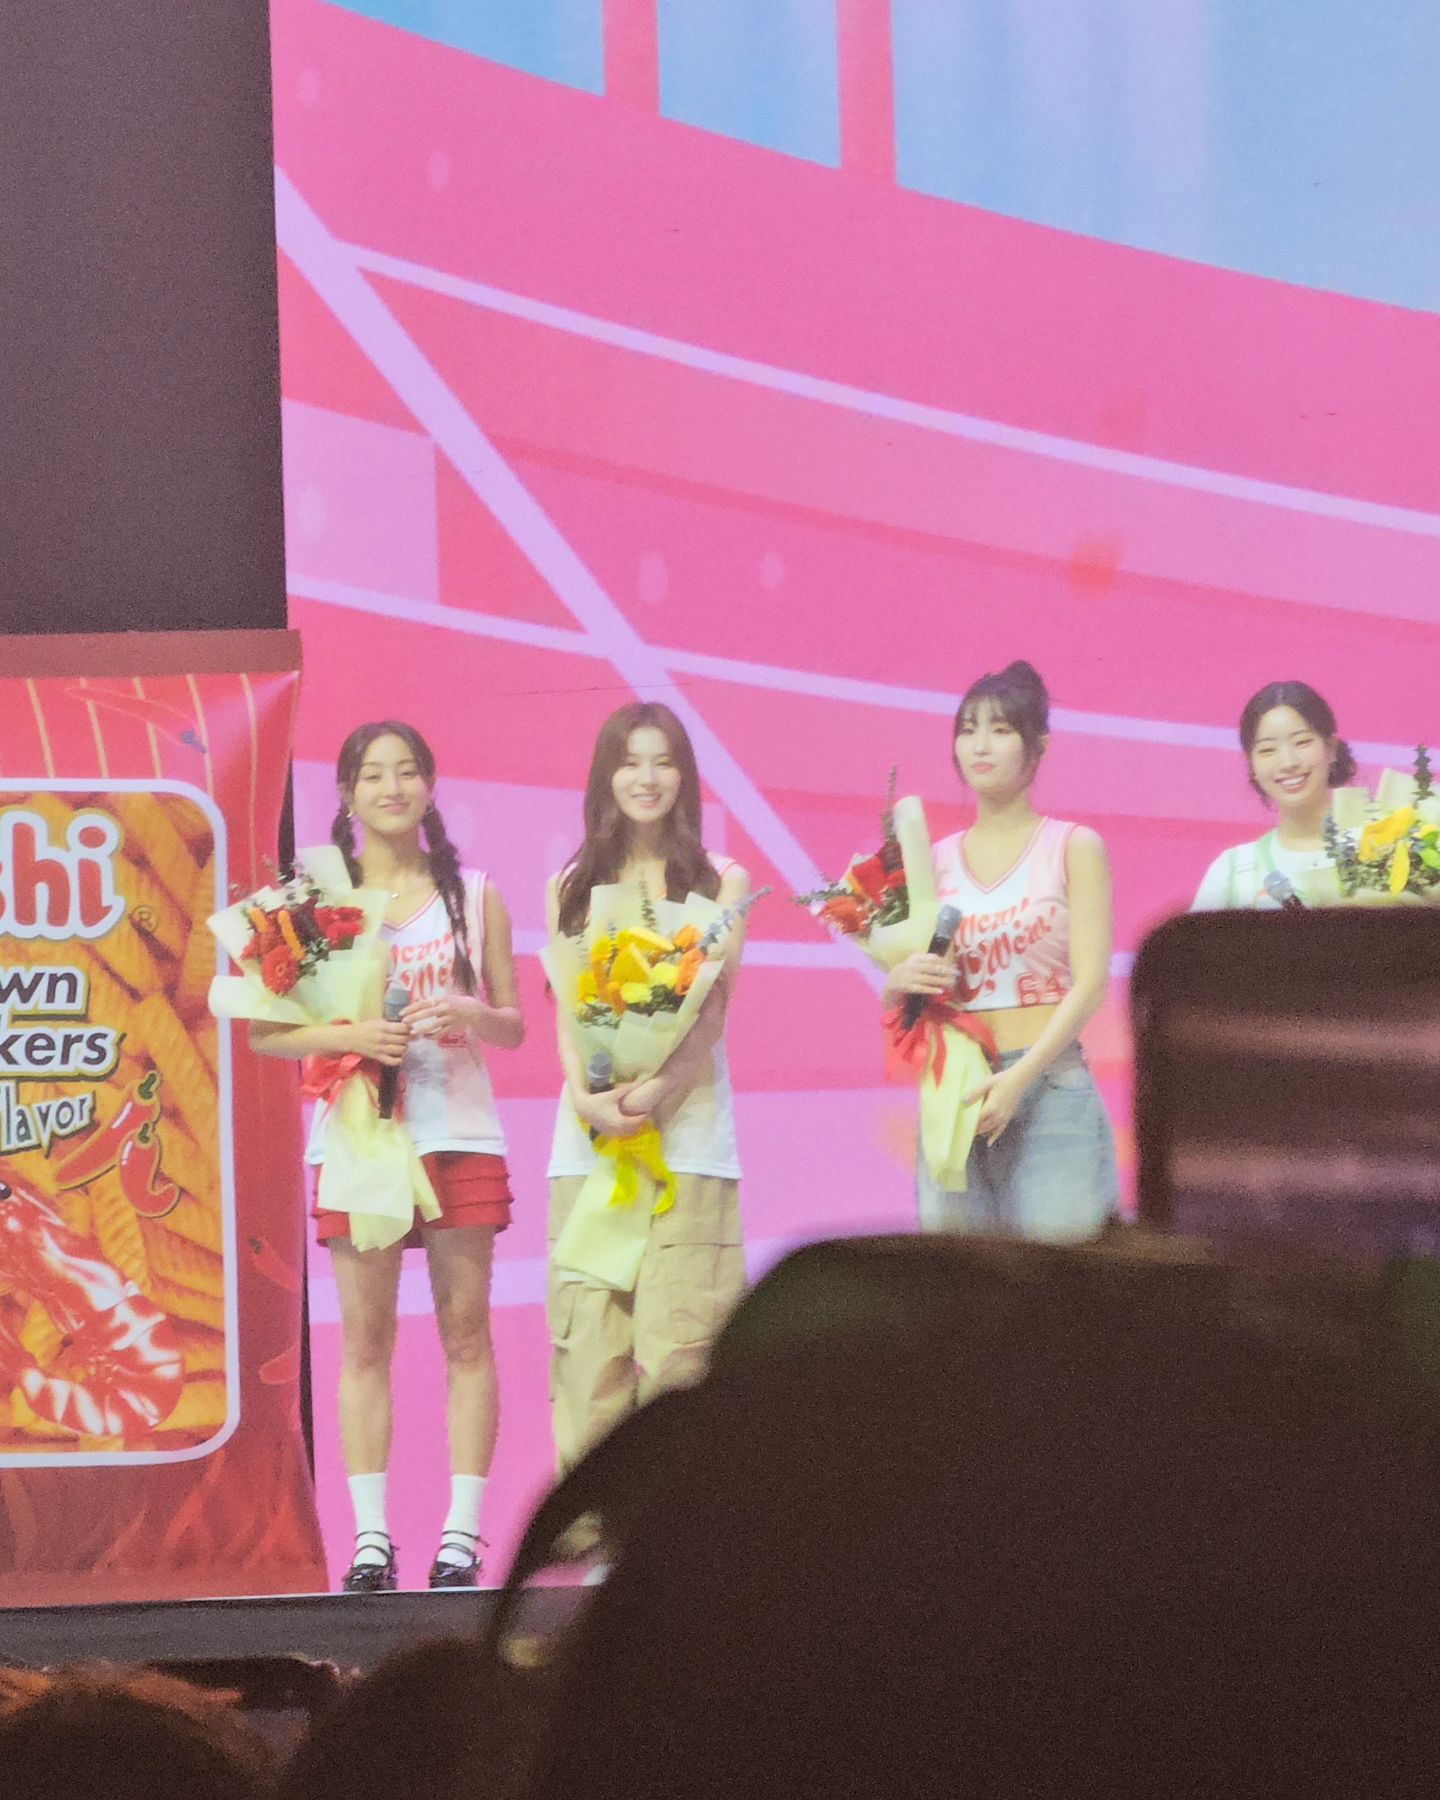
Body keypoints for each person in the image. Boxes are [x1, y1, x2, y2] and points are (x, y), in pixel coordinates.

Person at [250, 721, 523, 1593]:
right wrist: (353, 1035)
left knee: (465, 1334)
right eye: (374, 775)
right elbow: (266, 1032)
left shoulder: (473, 895)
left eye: (407, 772)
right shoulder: (311, 903)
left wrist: (471, 1015)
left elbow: (514, 1024)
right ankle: (371, 1541)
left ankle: (460, 1537)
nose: (392, 788)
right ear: (347, 794)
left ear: (430, 786)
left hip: (456, 1133)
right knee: (365, 1343)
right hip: (360, 1138)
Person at [545, 701, 749, 1474]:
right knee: (589, 1364)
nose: (647, 777)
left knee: (682, 1359)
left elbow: (712, 1010)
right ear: (606, 776)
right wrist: (586, 1098)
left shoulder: (721, 880)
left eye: (663, 761)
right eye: (630, 762)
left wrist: (658, 1090)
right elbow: (568, 1013)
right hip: (589, 1149)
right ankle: (593, 1539)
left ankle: (686, 1532)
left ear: (685, 777)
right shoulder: (569, 885)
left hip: (686, 1145)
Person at [885, 660, 1117, 1239]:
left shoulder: (1072, 846)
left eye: (1000, 729)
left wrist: (1019, 1080)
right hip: (956, 1089)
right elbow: (908, 999)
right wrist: (900, 980)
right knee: (961, 1283)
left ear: (1038, 747)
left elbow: (1091, 983)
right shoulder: (931, 861)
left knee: (1058, 1280)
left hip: (1049, 1090)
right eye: (968, 730)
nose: (980, 745)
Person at [1192, 680, 1358, 909]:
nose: (1288, 762)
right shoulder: (1233, 872)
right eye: (1268, 750)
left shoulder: (1384, 848)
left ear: (1331, 748)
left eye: (1302, 742)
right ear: (1251, 764)